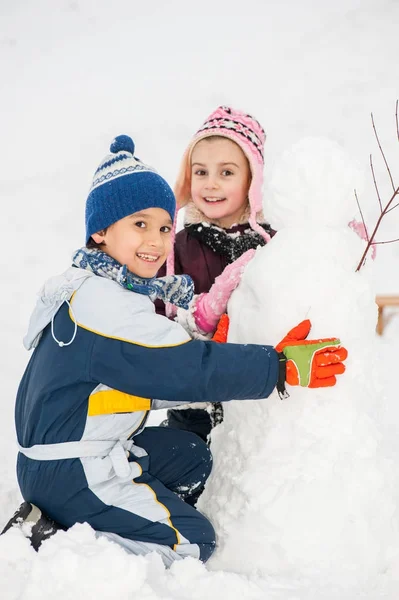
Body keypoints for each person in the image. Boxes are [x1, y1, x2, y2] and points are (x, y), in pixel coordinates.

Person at [1, 135, 347, 566]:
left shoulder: (93, 289)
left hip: (80, 451)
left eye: (165, 227)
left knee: (189, 457)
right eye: (139, 224)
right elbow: (181, 369)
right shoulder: (104, 306)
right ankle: (52, 541)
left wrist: (218, 355)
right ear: (101, 231)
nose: (157, 240)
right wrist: (275, 366)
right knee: (192, 541)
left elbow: (153, 372)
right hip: (73, 470)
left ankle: (107, 511)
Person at [157, 105, 275, 441]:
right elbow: (156, 322)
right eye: (201, 172)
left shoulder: (273, 241)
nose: (210, 184)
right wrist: (200, 315)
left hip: (260, 394)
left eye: (226, 173)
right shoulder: (177, 246)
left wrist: (335, 241)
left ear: (252, 178)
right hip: (195, 404)